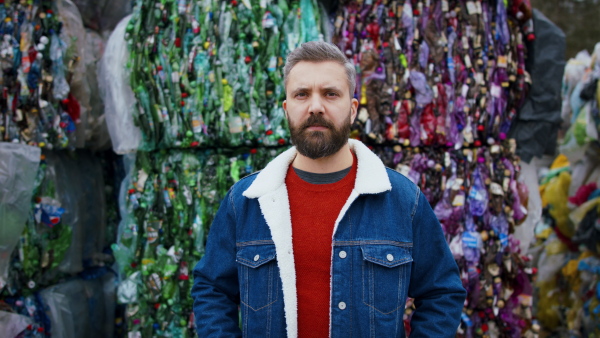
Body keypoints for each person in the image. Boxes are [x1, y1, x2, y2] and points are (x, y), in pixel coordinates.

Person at [191, 41, 466, 337]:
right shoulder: (245, 202)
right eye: (302, 94)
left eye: (330, 93)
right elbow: (213, 291)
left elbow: (442, 293)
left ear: (352, 108)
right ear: (287, 109)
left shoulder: (402, 200)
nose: (315, 107)